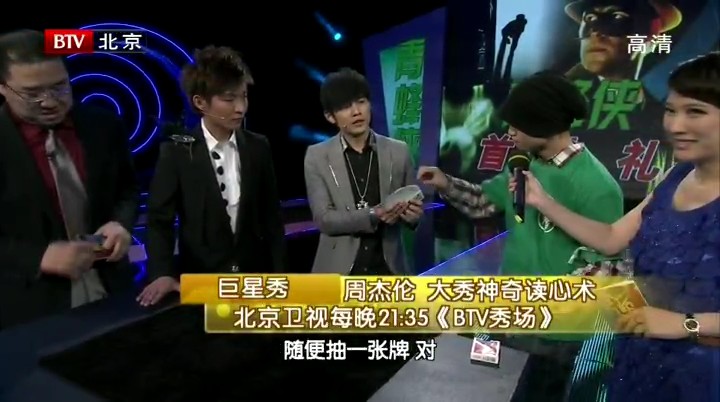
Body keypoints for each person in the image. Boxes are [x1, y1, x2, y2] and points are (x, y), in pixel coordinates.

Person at [515, 52, 720, 402]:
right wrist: (542, 201)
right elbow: (612, 238)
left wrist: (686, 323)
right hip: (639, 357)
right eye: (671, 110)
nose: (675, 126)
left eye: (695, 112)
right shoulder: (676, 176)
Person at [418, 72, 625, 401]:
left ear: (543, 123)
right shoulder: (525, 164)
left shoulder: (597, 186)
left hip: (552, 336)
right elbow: (485, 202)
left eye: (518, 124)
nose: (509, 131)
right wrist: (445, 183)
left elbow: (606, 271)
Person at [0, 30, 139, 329]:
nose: (50, 102)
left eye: (60, 86)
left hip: (113, 291)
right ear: (3, 87)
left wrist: (120, 224)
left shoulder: (104, 124)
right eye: (32, 93)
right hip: (29, 310)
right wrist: (38, 257)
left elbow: (127, 190)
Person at [137, 46, 285, 306]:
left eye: (244, 97)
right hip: (202, 283)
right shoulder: (177, 151)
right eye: (229, 99)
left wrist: (281, 278)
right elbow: (159, 221)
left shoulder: (258, 146)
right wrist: (162, 273)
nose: (240, 108)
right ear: (200, 102)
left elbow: (272, 219)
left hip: (256, 281)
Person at [304, 68, 423, 276]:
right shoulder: (317, 156)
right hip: (339, 273)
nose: (356, 112)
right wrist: (373, 215)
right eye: (345, 107)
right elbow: (324, 219)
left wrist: (413, 217)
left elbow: (413, 209)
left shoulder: (399, 151)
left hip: (389, 270)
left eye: (361, 102)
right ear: (330, 116)